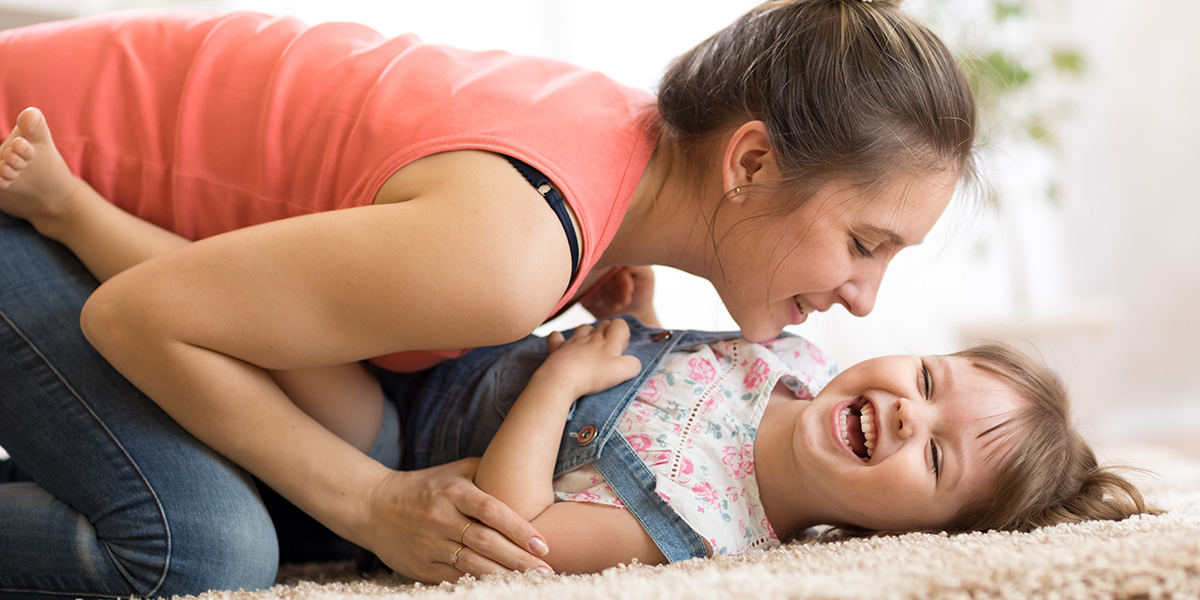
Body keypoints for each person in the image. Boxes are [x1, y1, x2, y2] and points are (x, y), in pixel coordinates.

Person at [0, 0, 978, 595]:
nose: (863, 298)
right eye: (866, 242)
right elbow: (135, 317)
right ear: (753, 160)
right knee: (203, 550)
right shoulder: (509, 255)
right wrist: (373, 502)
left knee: (263, 468)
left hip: (80, 217)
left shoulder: (607, 165)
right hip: (26, 186)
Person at [0, 109, 1152, 580]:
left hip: (408, 441)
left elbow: (523, 529)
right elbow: (657, 351)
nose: (907, 410)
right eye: (931, 383)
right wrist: (627, 310)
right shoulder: (781, 368)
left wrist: (560, 379)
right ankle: (84, 219)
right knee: (267, 298)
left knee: (290, 365)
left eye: (936, 458)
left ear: (897, 530)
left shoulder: (707, 529)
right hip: (462, 348)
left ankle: (74, 221)